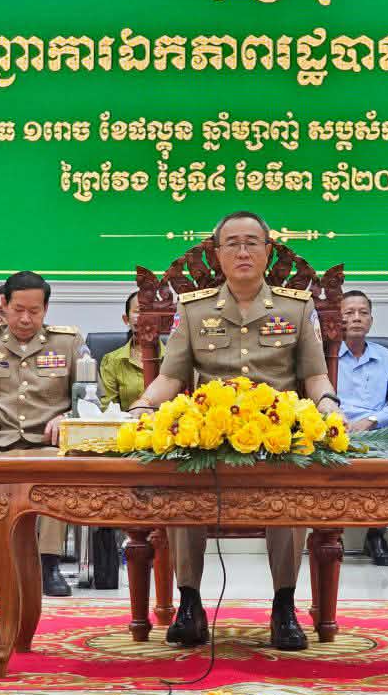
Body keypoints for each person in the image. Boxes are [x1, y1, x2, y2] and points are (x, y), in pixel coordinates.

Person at [131, 210, 337, 651]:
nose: (243, 252)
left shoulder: (296, 307)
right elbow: (171, 377)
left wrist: (329, 406)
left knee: (290, 489)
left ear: (268, 251)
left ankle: (284, 605)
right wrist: (143, 406)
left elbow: (315, 376)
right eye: (233, 244)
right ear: (217, 253)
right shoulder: (194, 308)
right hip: (209, 435)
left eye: (252, 243)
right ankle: (189, 603)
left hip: (277, 437)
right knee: (182, 487)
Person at [0, 271, 83, 598]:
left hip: (44, 442)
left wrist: (66, 417)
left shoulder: (68, 342)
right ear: (4, 306)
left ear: (45, 309)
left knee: (57, 464)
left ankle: (49, 564)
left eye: (34, 311)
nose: (25, 319)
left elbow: (88, 398)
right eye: (18, 309)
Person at [337, 289, 388, 566]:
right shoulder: (324, 357)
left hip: (376, 431)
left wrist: (373, 420)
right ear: (337, 320)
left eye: (363, 313)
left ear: (371, 320)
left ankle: (376, 536)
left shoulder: (387, 358)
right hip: (334, 430)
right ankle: (331, 533)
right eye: (349, 313)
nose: (356, 318)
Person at [100, 290, 164, 410]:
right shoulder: (112, 361)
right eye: (139, 311)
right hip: (128, 421)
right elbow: (107, 410)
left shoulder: (176, 358)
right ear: (126, 319)